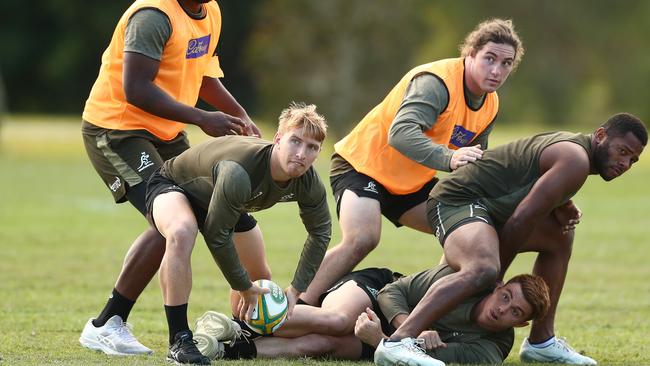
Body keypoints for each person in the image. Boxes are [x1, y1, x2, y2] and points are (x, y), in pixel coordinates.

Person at [79, 0, 270, 357]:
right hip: (118, 130)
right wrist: (201, 118)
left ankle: (108, 322)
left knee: (174, 218)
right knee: (179, 225)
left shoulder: (209, 12)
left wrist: (239, 115)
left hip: (166, 134)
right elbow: (135, 87)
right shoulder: (153, 16)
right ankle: (179, 341)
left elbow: (203, 74)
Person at [380, 113, 647, 365]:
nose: (624, 164)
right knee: (483, 268)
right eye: (622, 151)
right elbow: (521, 219)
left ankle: (541, 341)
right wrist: (494, 280)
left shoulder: (575, 154)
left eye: (633, 160)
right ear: (600, 135)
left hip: (488, 208)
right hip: (456, 200)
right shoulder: (576, 160)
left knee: (560, 235)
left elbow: (530, 184)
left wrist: (563, 203)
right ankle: (399, 341)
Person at [301, 18, 523, 306]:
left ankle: (437, 307)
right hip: (362, 166)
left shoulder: (490, 104)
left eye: (506, 64)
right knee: (363, 238)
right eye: (489, 59)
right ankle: (296, 307)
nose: (496, 70)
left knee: (468, 230)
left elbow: (476, 166)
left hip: (409, 184)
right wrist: (449, 157)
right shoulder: (436, 83)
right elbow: (401, 134)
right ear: (470, 54)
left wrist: (544, 195)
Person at [135, 102, 330, 364]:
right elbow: (218, 235)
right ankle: (179, 340)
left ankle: (236, 333)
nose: (301, 153)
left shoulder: (308, 182)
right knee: (182, 232)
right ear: (278, 140)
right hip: (173, 184)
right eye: (295, 141)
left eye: (312, 147)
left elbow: (320, 233)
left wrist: (297, 290)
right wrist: (242, 287)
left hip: (221, 197)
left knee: (260, 278)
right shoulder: (239, 172)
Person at [200, 265, 549, 365]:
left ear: (520, 324)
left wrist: (381, 342)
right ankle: (238, 322)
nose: (501, 309)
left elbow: (430, 362)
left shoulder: (493, 349)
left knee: (325, 344)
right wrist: (404, 330)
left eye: (513, 311)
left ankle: (231, 349)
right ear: (497, 287)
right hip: (376, 291)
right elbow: (390, 292)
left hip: (384, 339)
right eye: (505, 297)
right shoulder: (459, 283)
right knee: (337, 322)